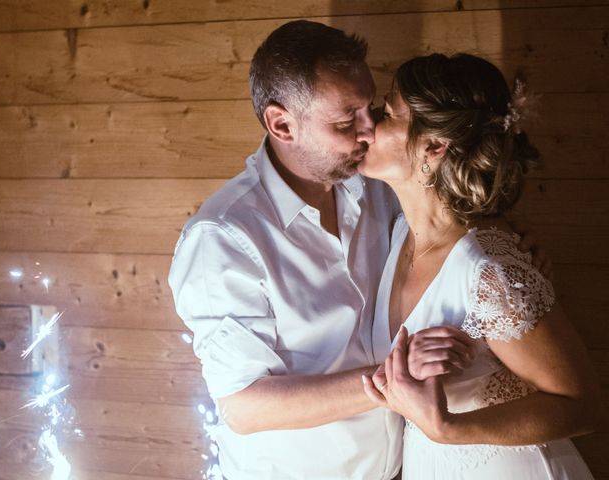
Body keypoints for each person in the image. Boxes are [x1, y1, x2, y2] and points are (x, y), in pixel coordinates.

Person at [168, 21, 484, 480]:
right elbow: (245, 407)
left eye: (370, 108)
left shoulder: (377, 185)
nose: (368, 129)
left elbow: (446, 236)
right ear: (281, 124)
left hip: (406, 467)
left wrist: (504, 254)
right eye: (344, 121)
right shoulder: (223, 238)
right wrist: (392, 379)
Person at [360, 53, 603, 479]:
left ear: (433, 146)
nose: (370, 123)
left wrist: (448, 428)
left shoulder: (487, 271)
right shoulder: (399, 235)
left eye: (389, 113)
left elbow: (580, 405)